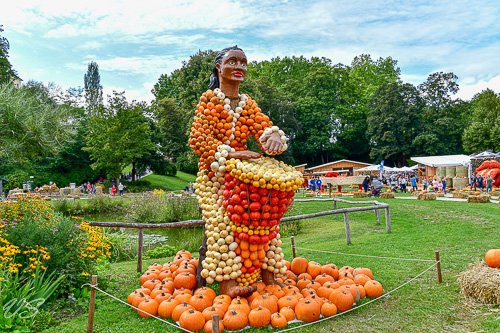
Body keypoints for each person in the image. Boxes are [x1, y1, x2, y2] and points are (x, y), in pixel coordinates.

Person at [190, 46, 287, 297]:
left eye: (243, 63)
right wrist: (232, 153)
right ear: (218, 68)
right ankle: (227, 283)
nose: (239, 67)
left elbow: (264, 130)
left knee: (266, 221)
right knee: (221, 224)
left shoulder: (247, 104)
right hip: (212, 178)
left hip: (241, 179)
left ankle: (270, 274)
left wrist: (273, 136)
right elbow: (198, 138)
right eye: (232, 61)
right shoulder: (210, 100)